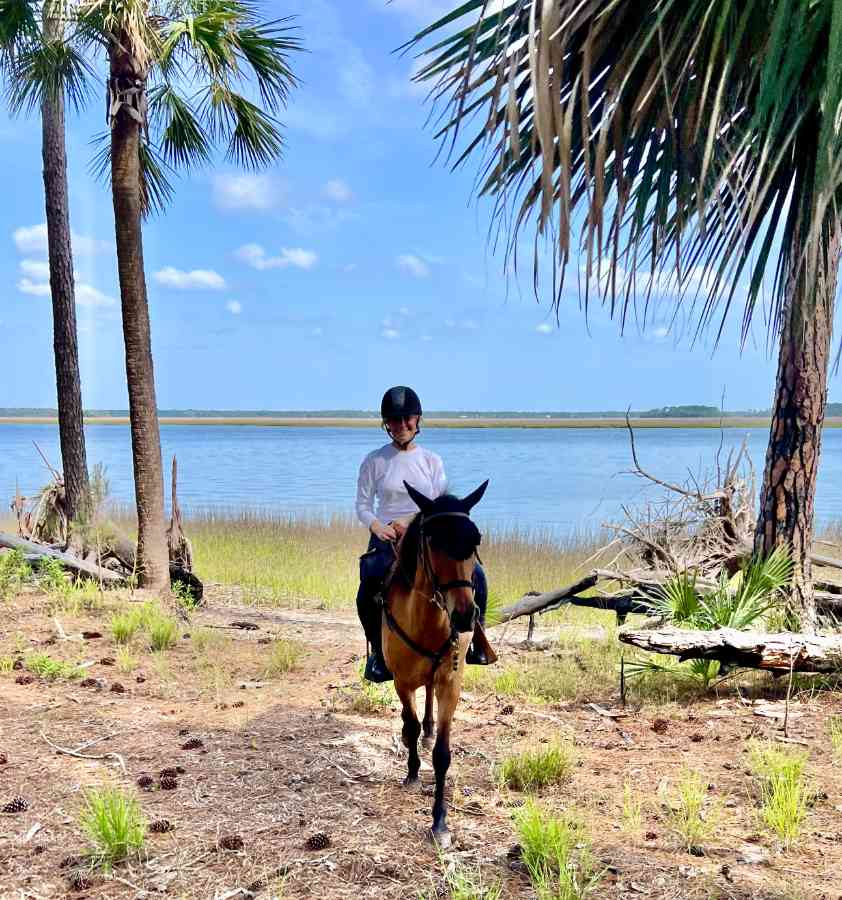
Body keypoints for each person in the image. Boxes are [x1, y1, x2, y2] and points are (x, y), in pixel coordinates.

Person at [355, 385, 488, 682]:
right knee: (366, 591)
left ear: (417, 420)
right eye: (394, 420)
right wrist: (378, 526)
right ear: (386, 424)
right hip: (387, 536)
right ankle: (379, 654)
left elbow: (439, 504)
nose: (401, 425)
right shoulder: (374, 461)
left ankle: (476, 642)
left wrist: (410, 520)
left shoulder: (431, 461)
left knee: (477, 575)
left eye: (407, 419)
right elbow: (363, 505)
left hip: (427, 534)